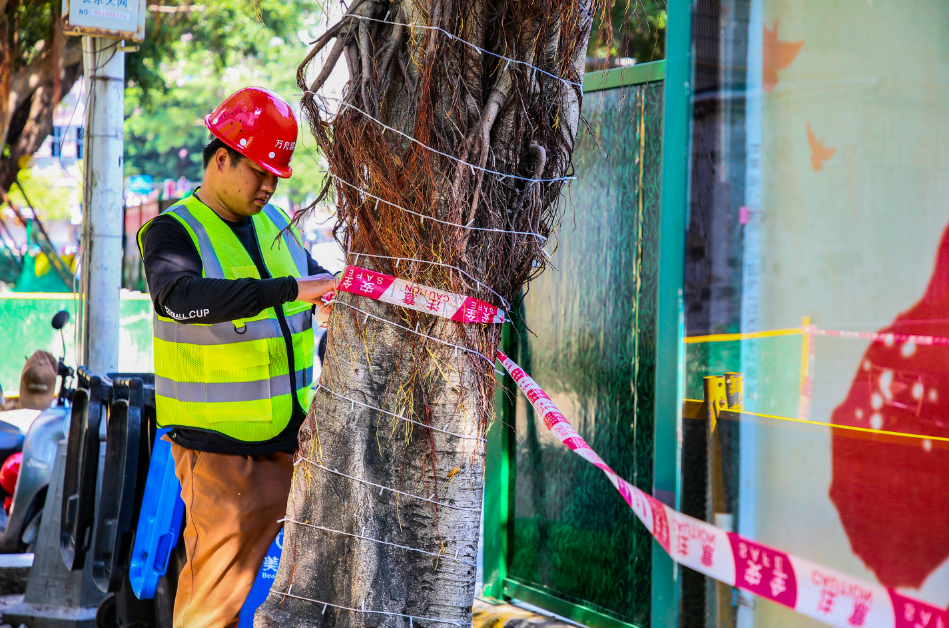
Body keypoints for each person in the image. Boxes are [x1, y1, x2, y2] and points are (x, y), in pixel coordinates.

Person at [137, 87, 336, 628]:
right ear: (220, 157)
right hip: (223, 456)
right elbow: (178, 299)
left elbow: (314, 287)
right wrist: (292, 289)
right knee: (212, 609)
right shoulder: (173, 232)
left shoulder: (274, 226)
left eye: (277, 175)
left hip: (293, 443)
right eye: (259, 171)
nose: (269, 186)